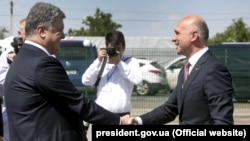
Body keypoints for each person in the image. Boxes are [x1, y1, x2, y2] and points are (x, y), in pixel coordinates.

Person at [4, 2, 130, 141]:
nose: (64, 36)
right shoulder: (42, 64)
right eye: (59, 30)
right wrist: (119, 121)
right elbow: (78, 103)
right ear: (42, 31)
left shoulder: (22, 59)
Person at [130, 15, 234, 125]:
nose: (173, 38)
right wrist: (137, 121)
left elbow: (223, 122)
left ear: (193, 36)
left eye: (177, 33)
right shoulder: (186, 69)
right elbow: (170, 109)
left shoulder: (214, 70)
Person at [81, 30, 142, 131]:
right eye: (112, 48)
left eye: (118, 48)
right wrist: (98, 60)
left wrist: (119, 63)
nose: (116, 52)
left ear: (124, 47)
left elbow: (138, 80)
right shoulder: (102, 62)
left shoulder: (131, 62)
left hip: (123, 116)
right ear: (106, 47)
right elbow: (86, 81)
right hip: (101, 115)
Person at [0, 18, 26, 141]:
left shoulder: (44, 54)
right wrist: (13, 64)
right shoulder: (7, 56)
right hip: (11, 119)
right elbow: (2, 89)